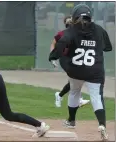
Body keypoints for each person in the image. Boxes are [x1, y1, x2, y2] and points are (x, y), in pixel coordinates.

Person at [49, 4, 112, 141]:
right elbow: (108, 47)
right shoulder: (99, 29)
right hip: (94, 71)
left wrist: (53, 56)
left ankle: (71, 121)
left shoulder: (72, 30)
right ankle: (102, 125)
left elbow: (61, 43)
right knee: (96, 98)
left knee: (74, 92)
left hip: (76, 70)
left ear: (75, 16)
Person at [50, 16, 90, 108]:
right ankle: (78, 99)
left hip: (73, 59)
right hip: (64, 59)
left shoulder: (77, 34)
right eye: (69, 21)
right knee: (76, 78)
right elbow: (53, 44)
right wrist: (53, 57)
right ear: (66, 23)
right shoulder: (62, 34)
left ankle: (59, 95)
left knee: (75, 80)